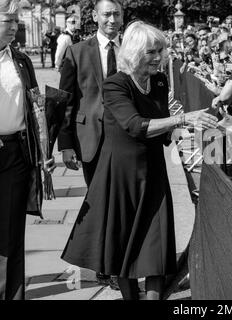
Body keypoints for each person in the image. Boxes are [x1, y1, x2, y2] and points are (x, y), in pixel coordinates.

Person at [61, 21, 218, 300]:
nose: (159, 57)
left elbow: (162, 123)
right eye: (151, 52)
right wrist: (183, 118)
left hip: (154, 168)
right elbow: (135, 125)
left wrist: (186, 127)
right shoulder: (115, 84)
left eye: (161, 50)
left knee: (157, 240)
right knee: (124, 243)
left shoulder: (158, 80)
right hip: (120, 174)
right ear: (134, 52)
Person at [57, 0, 124, 289]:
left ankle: (120, 263)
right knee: (98, 202)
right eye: (106, 14)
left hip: (125, 139)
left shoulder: (131, 49)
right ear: (95, 16)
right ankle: (102, 264)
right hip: (91, 141)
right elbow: (64, 100)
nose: (112, 19)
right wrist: (66, 144)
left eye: (117, 14)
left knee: (120, 202)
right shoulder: (77, 51)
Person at [0, 0, 50, 300]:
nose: (15, 27)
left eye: (17, 22)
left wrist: (44, 150)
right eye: (8, 22)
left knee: (12, 231)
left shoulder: (21, 61)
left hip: (16, 153)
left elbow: (35, 106)